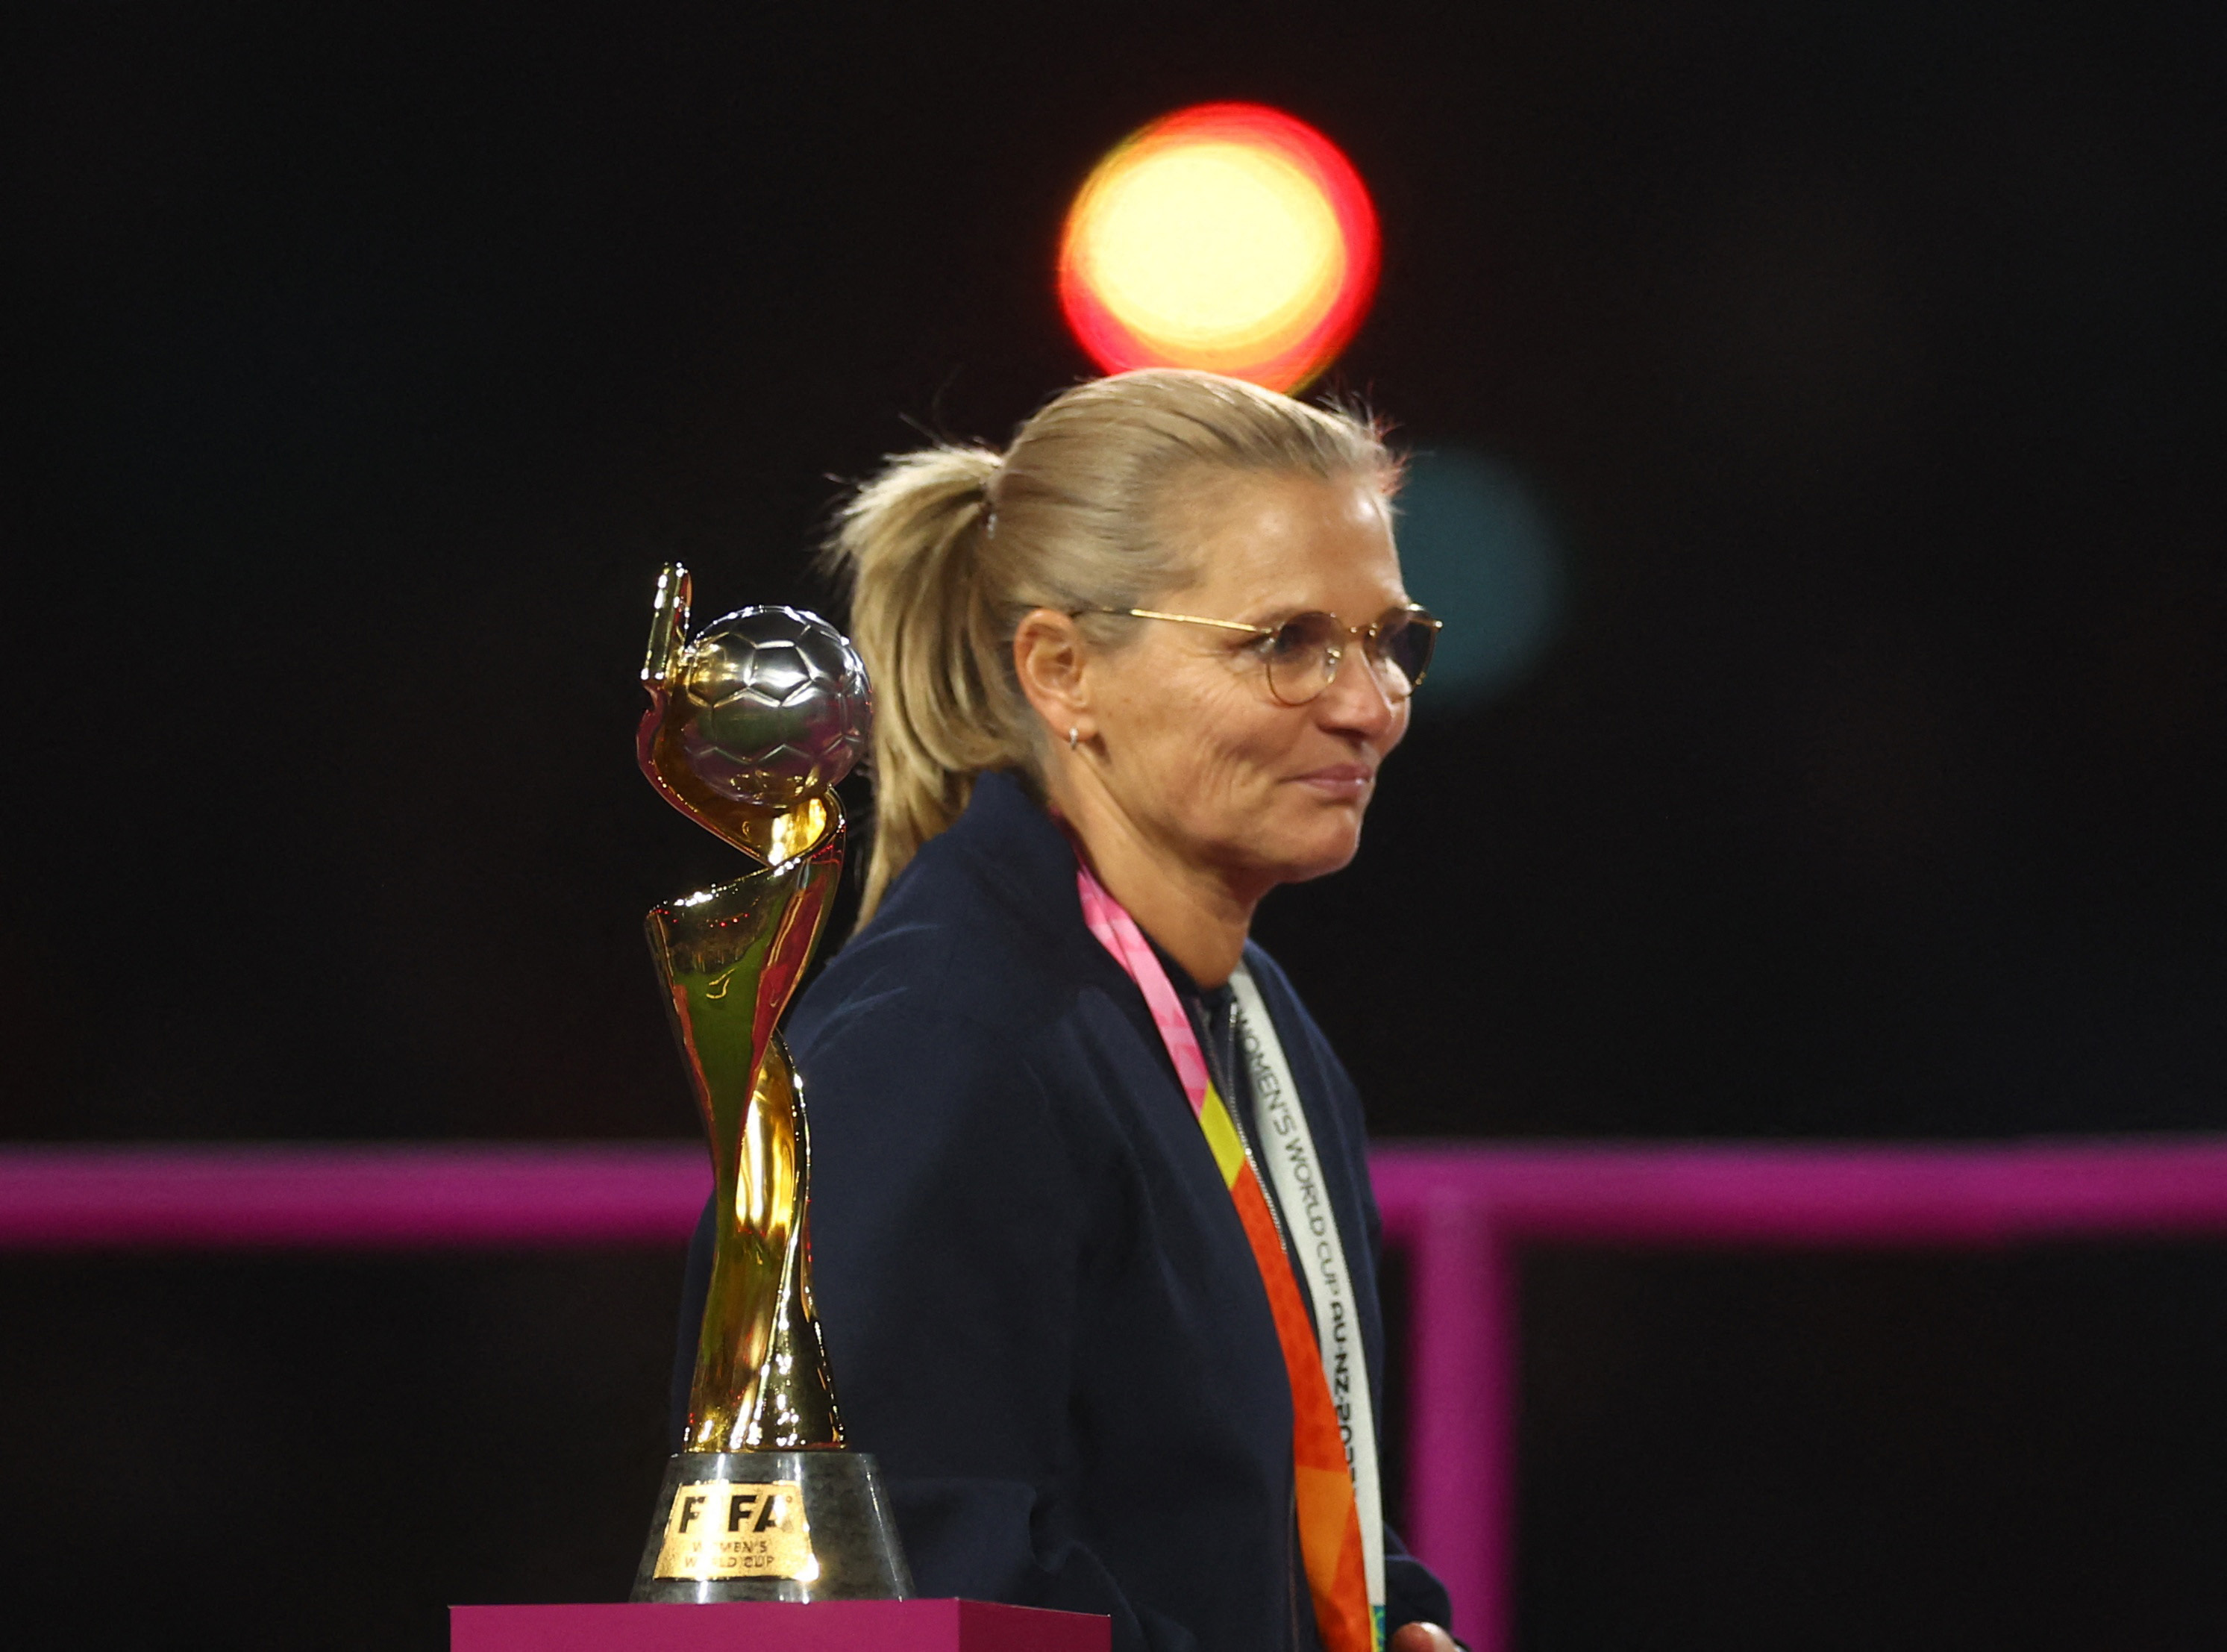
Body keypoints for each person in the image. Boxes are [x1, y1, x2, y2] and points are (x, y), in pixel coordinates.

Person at [674, 369, 1459, 1651]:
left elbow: (1262, 1498)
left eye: (1389, 641)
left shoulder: (1250, 1023)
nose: (1367, 704)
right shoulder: (937, 1042)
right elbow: (913, 1592)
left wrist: (1396, 1619)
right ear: (1062, 670)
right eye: (1286, 643)